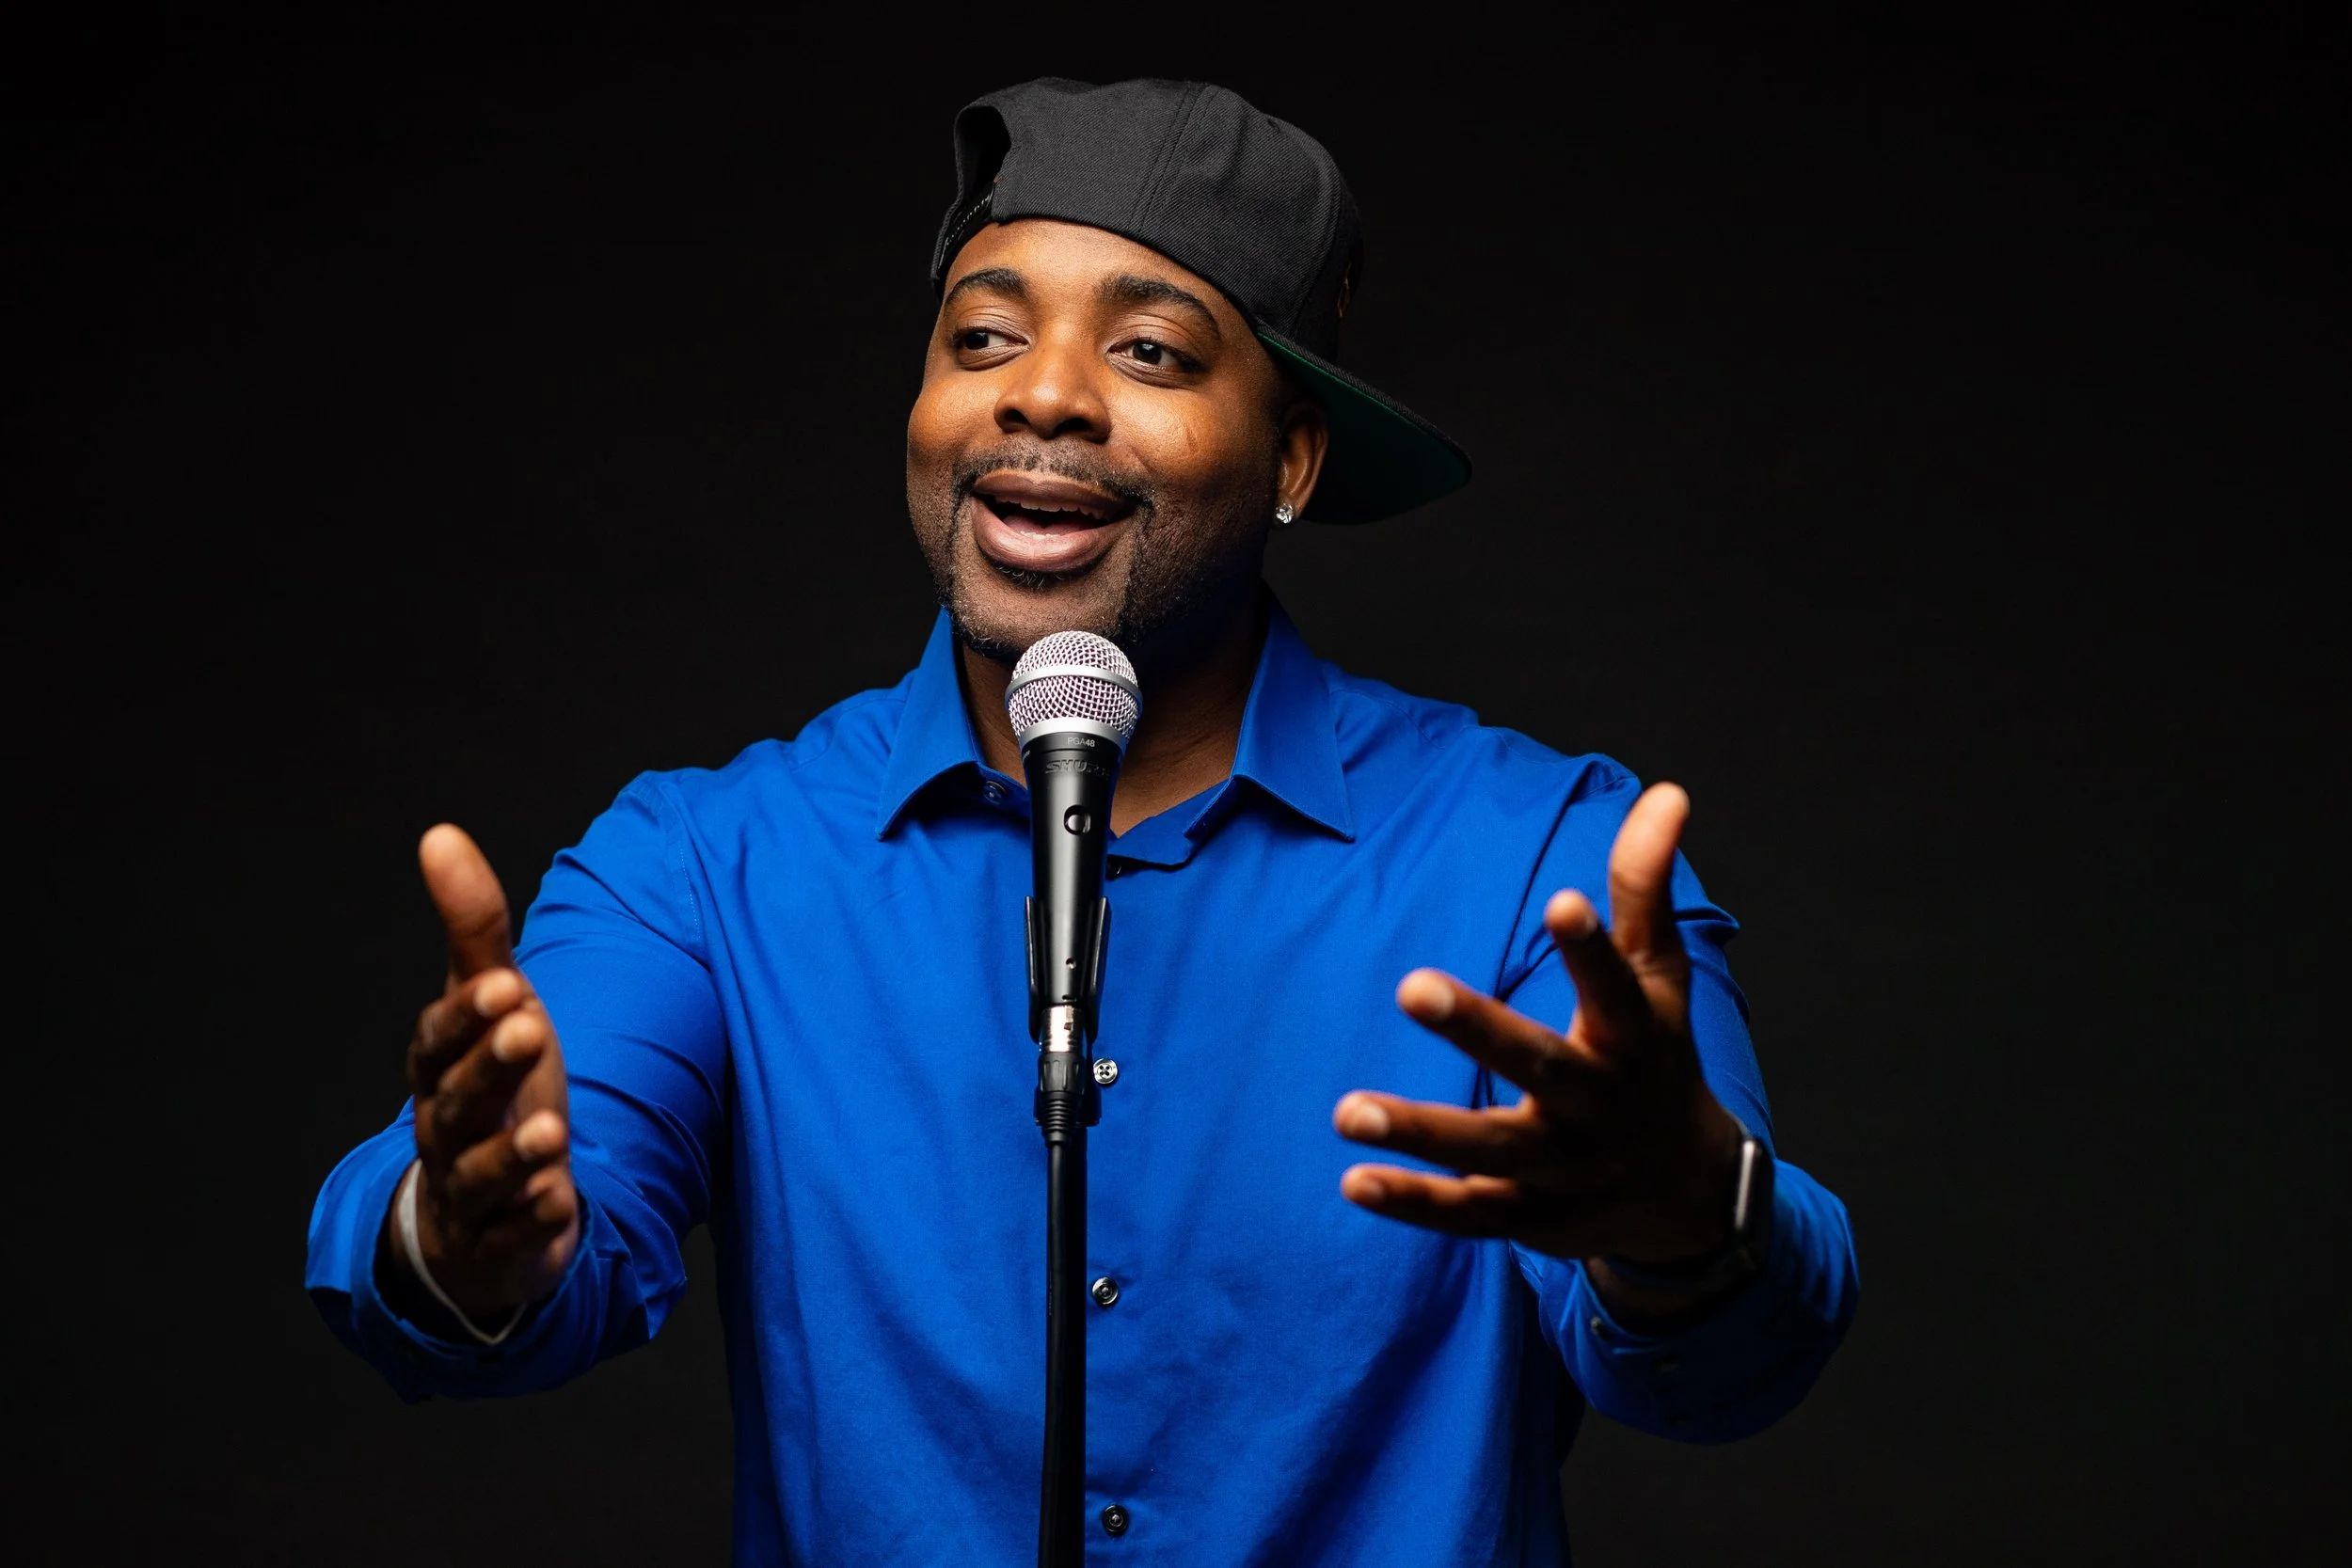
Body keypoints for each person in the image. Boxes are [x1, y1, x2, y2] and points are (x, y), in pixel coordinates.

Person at [307, 77, 1858, 1565]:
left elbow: (1731, 1368)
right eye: (982, 334)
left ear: (1294, 459)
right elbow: (477, 1276)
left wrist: (1682, 1224)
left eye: (1155, 353)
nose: (1041, 392)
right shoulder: (706, 869)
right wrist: (463, 1239)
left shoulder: (1538, 861)